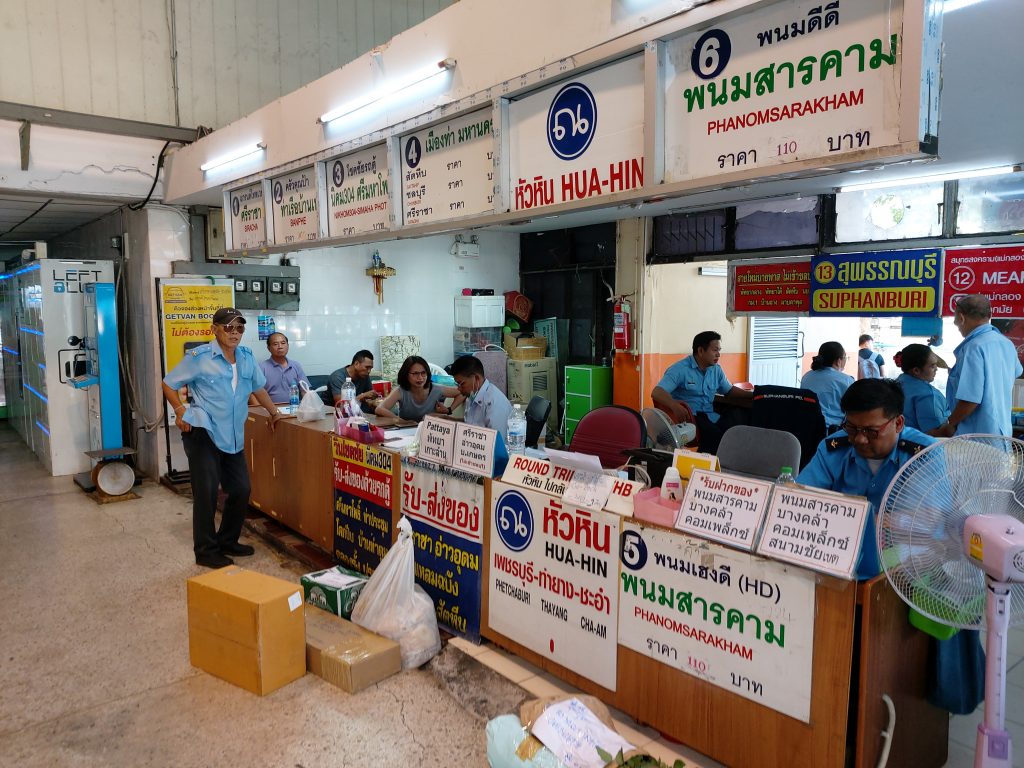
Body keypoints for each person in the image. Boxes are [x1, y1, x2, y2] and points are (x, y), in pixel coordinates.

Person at [162, 307, 289, 568]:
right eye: (228, 327)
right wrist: (179, 410)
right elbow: (169, 383)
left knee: (241, 489)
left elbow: (258, 387)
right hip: (203, 432)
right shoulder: (199, 357)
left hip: (232, 434)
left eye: (239, 327)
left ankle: (228, 540)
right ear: (215, 329)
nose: (234, 333)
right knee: (207, 493)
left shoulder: (245, 357)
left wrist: (274, 412)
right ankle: (206, 551)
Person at [798, 378, 934, 580]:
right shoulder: (833, 449)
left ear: (898, 423)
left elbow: (928, 520)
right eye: (851, 428)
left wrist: (851, 519)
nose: (860, 439)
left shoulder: (923, 455)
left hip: (906, 558)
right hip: (837, 547)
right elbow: (800, 498)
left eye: (871, 431)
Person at [651, 330, 753, 454]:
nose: (718, 355)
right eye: (715, 350)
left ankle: (724, 463)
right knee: (715, 436)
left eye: (719, 350)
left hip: (709, 415)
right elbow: (657, 392)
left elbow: (729, 390)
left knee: (736, 424)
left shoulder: (716, 370)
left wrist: (753, 394)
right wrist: (674, 405)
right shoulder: (680, 369)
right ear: (700, 351)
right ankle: (702, 466)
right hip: (690, 417)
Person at [936, 294, 1023, 437]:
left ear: (961, 318)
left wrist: (949, 424)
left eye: (956, 320)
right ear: (989, 315)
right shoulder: (1006, 343)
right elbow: (1013, 373)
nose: (957, 326)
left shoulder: (973, 347)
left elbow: (970, 400)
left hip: (978, 436)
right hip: (1002, 431)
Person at [373, 355, 460, 422]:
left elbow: (463, 392)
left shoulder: (436, 389)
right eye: (415, 373)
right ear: (406, 375)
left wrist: (449, 409)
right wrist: (400, 421)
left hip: (430, 432)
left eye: (423, 373)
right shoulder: (400, 391)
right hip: (406, 431)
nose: (420, 378)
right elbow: (380, 409)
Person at [449, 354, 513, 439]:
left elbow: (496, 442)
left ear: (476, 379)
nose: (459, 389)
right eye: (457, 384)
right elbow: (469, 423)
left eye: (461, 384)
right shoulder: (472, 395)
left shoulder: (494, 403)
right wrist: (446, 419)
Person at [895, 343, 948, 434]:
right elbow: (934, 433)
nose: (936, 369)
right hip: (919, 445)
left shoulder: (898, 382)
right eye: (932, 366)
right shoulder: (927, 395)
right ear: (916, 370)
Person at [799, 341, 853, 431]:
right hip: (832, 432)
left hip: (806, 428)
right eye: (845, 357)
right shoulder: (846, 380)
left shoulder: (806, 376)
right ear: (838, 360)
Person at [256, 332, 310, 403]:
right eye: (275, 344)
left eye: (283, 343)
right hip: (271, 411)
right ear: (269, 348)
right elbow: (255, 393)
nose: (280, 346)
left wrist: (306, 408)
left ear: (288, 346)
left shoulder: (296, 365)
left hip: (294, 407)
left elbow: (305, 390)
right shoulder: (261, 367)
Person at [329, 349, 377, 414]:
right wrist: (362, 396)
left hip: (356, 410)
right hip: (336, 413)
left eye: (370, 368)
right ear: (356, 364)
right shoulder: (338, 377)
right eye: (367, 367)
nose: (369, 371)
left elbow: (369, 398)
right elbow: (342, 405)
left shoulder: (364, 375)